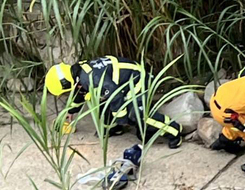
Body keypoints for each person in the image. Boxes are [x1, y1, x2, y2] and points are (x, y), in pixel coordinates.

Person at [44, 56, 183, 148]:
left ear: (66, 83)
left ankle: (174, 131)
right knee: (105, 106)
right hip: (121, 84)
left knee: (138, 114)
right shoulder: (79, 74)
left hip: (137, 80)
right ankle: (114, 129)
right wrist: (71, 111)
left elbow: (114, 95)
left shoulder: (91, 78)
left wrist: (123, 118)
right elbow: (80, 93)